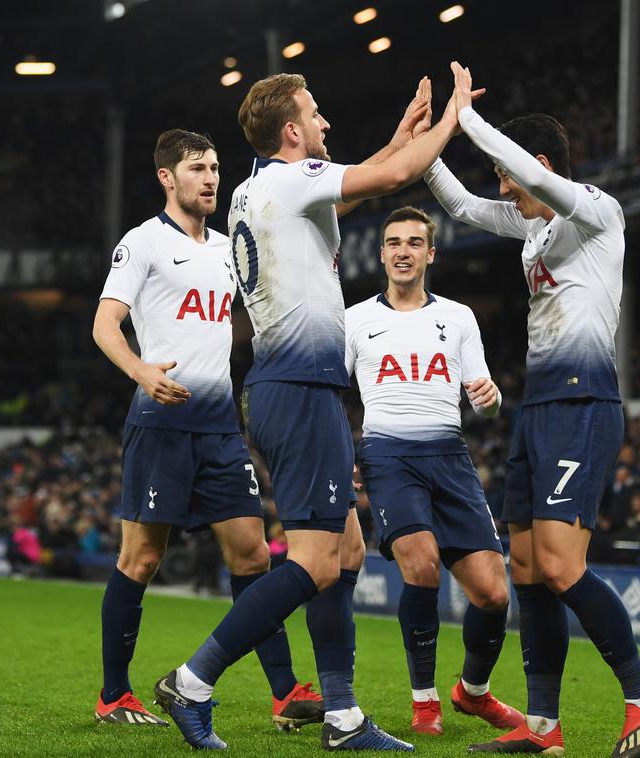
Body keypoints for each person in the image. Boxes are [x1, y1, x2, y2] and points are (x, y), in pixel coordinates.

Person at [155, 70, 475, 751]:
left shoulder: (257, 192)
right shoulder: (288, 182)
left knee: (347, 546)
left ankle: (341, 713)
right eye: (317, 114)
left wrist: (403, 135)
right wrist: (454, 119)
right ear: (292, 132)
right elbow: (391, 179)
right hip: (301, 388)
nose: (326, 123)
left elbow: (368, 179)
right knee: (316, 562)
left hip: (285, 385)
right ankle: (194, 680)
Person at [425, 63, 640, 757]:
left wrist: (468, 119)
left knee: (562, 566)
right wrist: (430, 143)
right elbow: (466, 208)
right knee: (528, 569)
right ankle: (543, 727)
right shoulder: (534, 231)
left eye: (512, 178)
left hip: (584, 403)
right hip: (538, 408)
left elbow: (514, 177)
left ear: (536, 167)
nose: (506, 192)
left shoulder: (594, 211)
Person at [91, 129, 322, 730]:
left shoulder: (228, 249)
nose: (211, 177)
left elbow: (242, 322)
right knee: (141, 559)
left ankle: (285, 694)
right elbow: (105, 326)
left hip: (221, 425)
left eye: (216, 167)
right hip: (161, 423)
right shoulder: (141, 243)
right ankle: (115, 694)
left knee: (252, 553)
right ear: (167, 177)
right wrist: (142, 371)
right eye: (197, 168)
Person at [345, 206, 522, 736]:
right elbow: (332, 394)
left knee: (494, 594)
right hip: (388, 457)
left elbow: (484, 401)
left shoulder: (460, 317)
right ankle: (424, 703)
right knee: (420, 565)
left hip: (450, 456)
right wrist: (344, 454)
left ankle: (472, 693)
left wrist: (489, 400)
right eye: (393, 242)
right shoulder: (355, 319)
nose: (403, 251)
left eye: (413, 242)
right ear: (382, 254)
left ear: (430, 253)